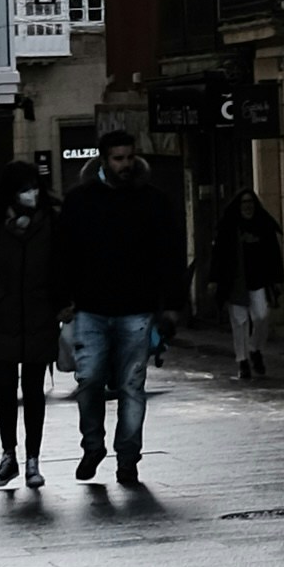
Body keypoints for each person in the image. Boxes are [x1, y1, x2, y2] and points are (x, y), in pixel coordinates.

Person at [58, 129, 185, 485]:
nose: (125, 164)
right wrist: (63, 300)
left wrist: (172, 305)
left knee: (132, 386)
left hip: (137, 308)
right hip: (90, 309)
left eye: (129, 157)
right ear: (103, 160)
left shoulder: (153, 201)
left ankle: (128, 458)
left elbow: (171, 255)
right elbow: (63, 255)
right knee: (90, 381)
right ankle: (93, 445)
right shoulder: (80, 201)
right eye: (118, 158)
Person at [0, 164, 62, 490]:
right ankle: (9, 455)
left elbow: (60, 265)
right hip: (3, 319)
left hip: (38, 318)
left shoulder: (49, 223)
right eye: (25, 188)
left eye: (35, 187)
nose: (32, 194)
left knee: (34, 391)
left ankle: (33, 459)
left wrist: (55, 300)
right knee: (6, 390)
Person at [214, 181, 283, 381]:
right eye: (244, 202)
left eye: (250, 202)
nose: (247, 206)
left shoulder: (263, 225)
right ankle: (242, 361)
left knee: (261, 316)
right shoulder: (229, 226)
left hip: (258, 280)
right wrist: (215, 280)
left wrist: (278, 279)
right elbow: (219, 254)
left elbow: (274, 254)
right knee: (240, 322)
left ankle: (255, 348)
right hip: (236, 282)